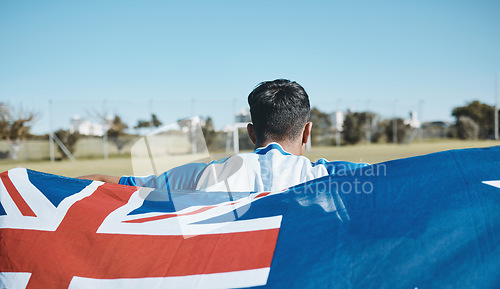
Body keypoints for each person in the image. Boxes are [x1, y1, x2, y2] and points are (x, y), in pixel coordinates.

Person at [79, 79, 368, 192]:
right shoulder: (335, 176)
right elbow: (406, 177)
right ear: (307, 132)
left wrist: (36, 184)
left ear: (251, 132)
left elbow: (110, 184)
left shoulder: (198, 177)